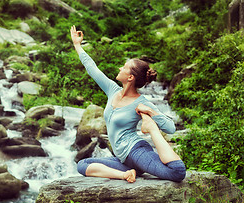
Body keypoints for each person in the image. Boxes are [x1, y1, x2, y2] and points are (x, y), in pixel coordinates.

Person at [70, 25, 186, 183]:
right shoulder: (112, 90)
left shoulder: (142, 102)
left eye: (124, 67)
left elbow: (171, 128)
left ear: (130, 77)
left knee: (177, 172)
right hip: (123, 160)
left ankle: (148, 133)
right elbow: (92, 68)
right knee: (83, 164)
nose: (120, 68)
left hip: (136, 151)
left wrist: (152, 115)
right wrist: (77, 45)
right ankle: (125, 175)